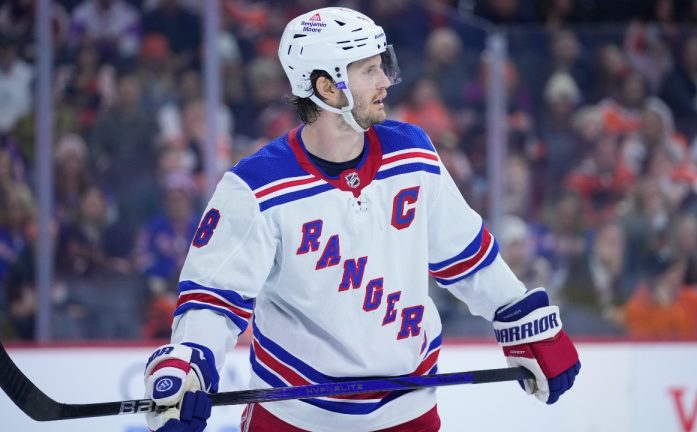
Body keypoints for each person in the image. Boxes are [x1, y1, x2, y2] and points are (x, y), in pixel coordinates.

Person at [143, 7, 581, 432]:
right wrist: (192, 361)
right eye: (368, 70)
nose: (385, 81)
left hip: (408, 411)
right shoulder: (256, 186)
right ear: (327, 89)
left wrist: (519, 317)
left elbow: (465, 255)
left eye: (381, 66)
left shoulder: (412, 151)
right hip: (296, 417)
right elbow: (214, 298)